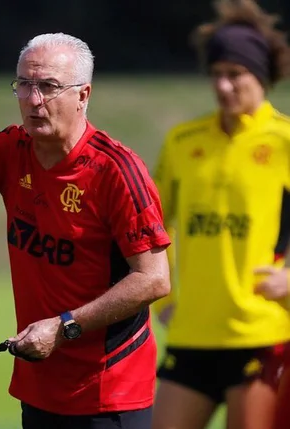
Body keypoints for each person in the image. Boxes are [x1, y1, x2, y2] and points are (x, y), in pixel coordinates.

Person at [0, 32, 172, 429]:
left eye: (49, 87)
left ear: (83, 95)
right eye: (24, 84)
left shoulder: (116, 172)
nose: (33, 100)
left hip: (108, 392)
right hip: (39, 384)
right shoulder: (12, 148)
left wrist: (64, 325)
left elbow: (154, 279)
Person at [150, 1, 290, 428]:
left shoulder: (285, 140)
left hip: (260, 333)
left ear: (259, 75)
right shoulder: (183, 141)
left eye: (235, 74)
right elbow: (150, 227)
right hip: (192, 331)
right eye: (216, 75)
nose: (224, 86)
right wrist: (165, 296)